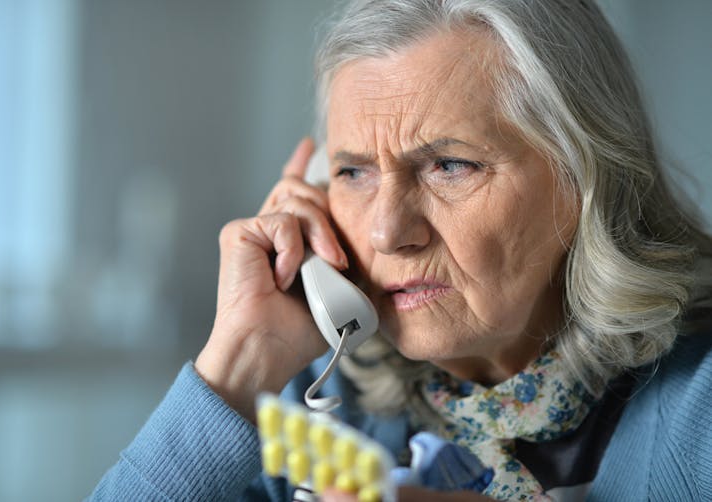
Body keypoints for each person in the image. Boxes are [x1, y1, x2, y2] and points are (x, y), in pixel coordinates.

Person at [89, 0, 712, 500]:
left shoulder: (697, 403)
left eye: (449, 165)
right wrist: (240, 366)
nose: (387, 232)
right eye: (354, 173)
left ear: (585, 179)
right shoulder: (313, 395)